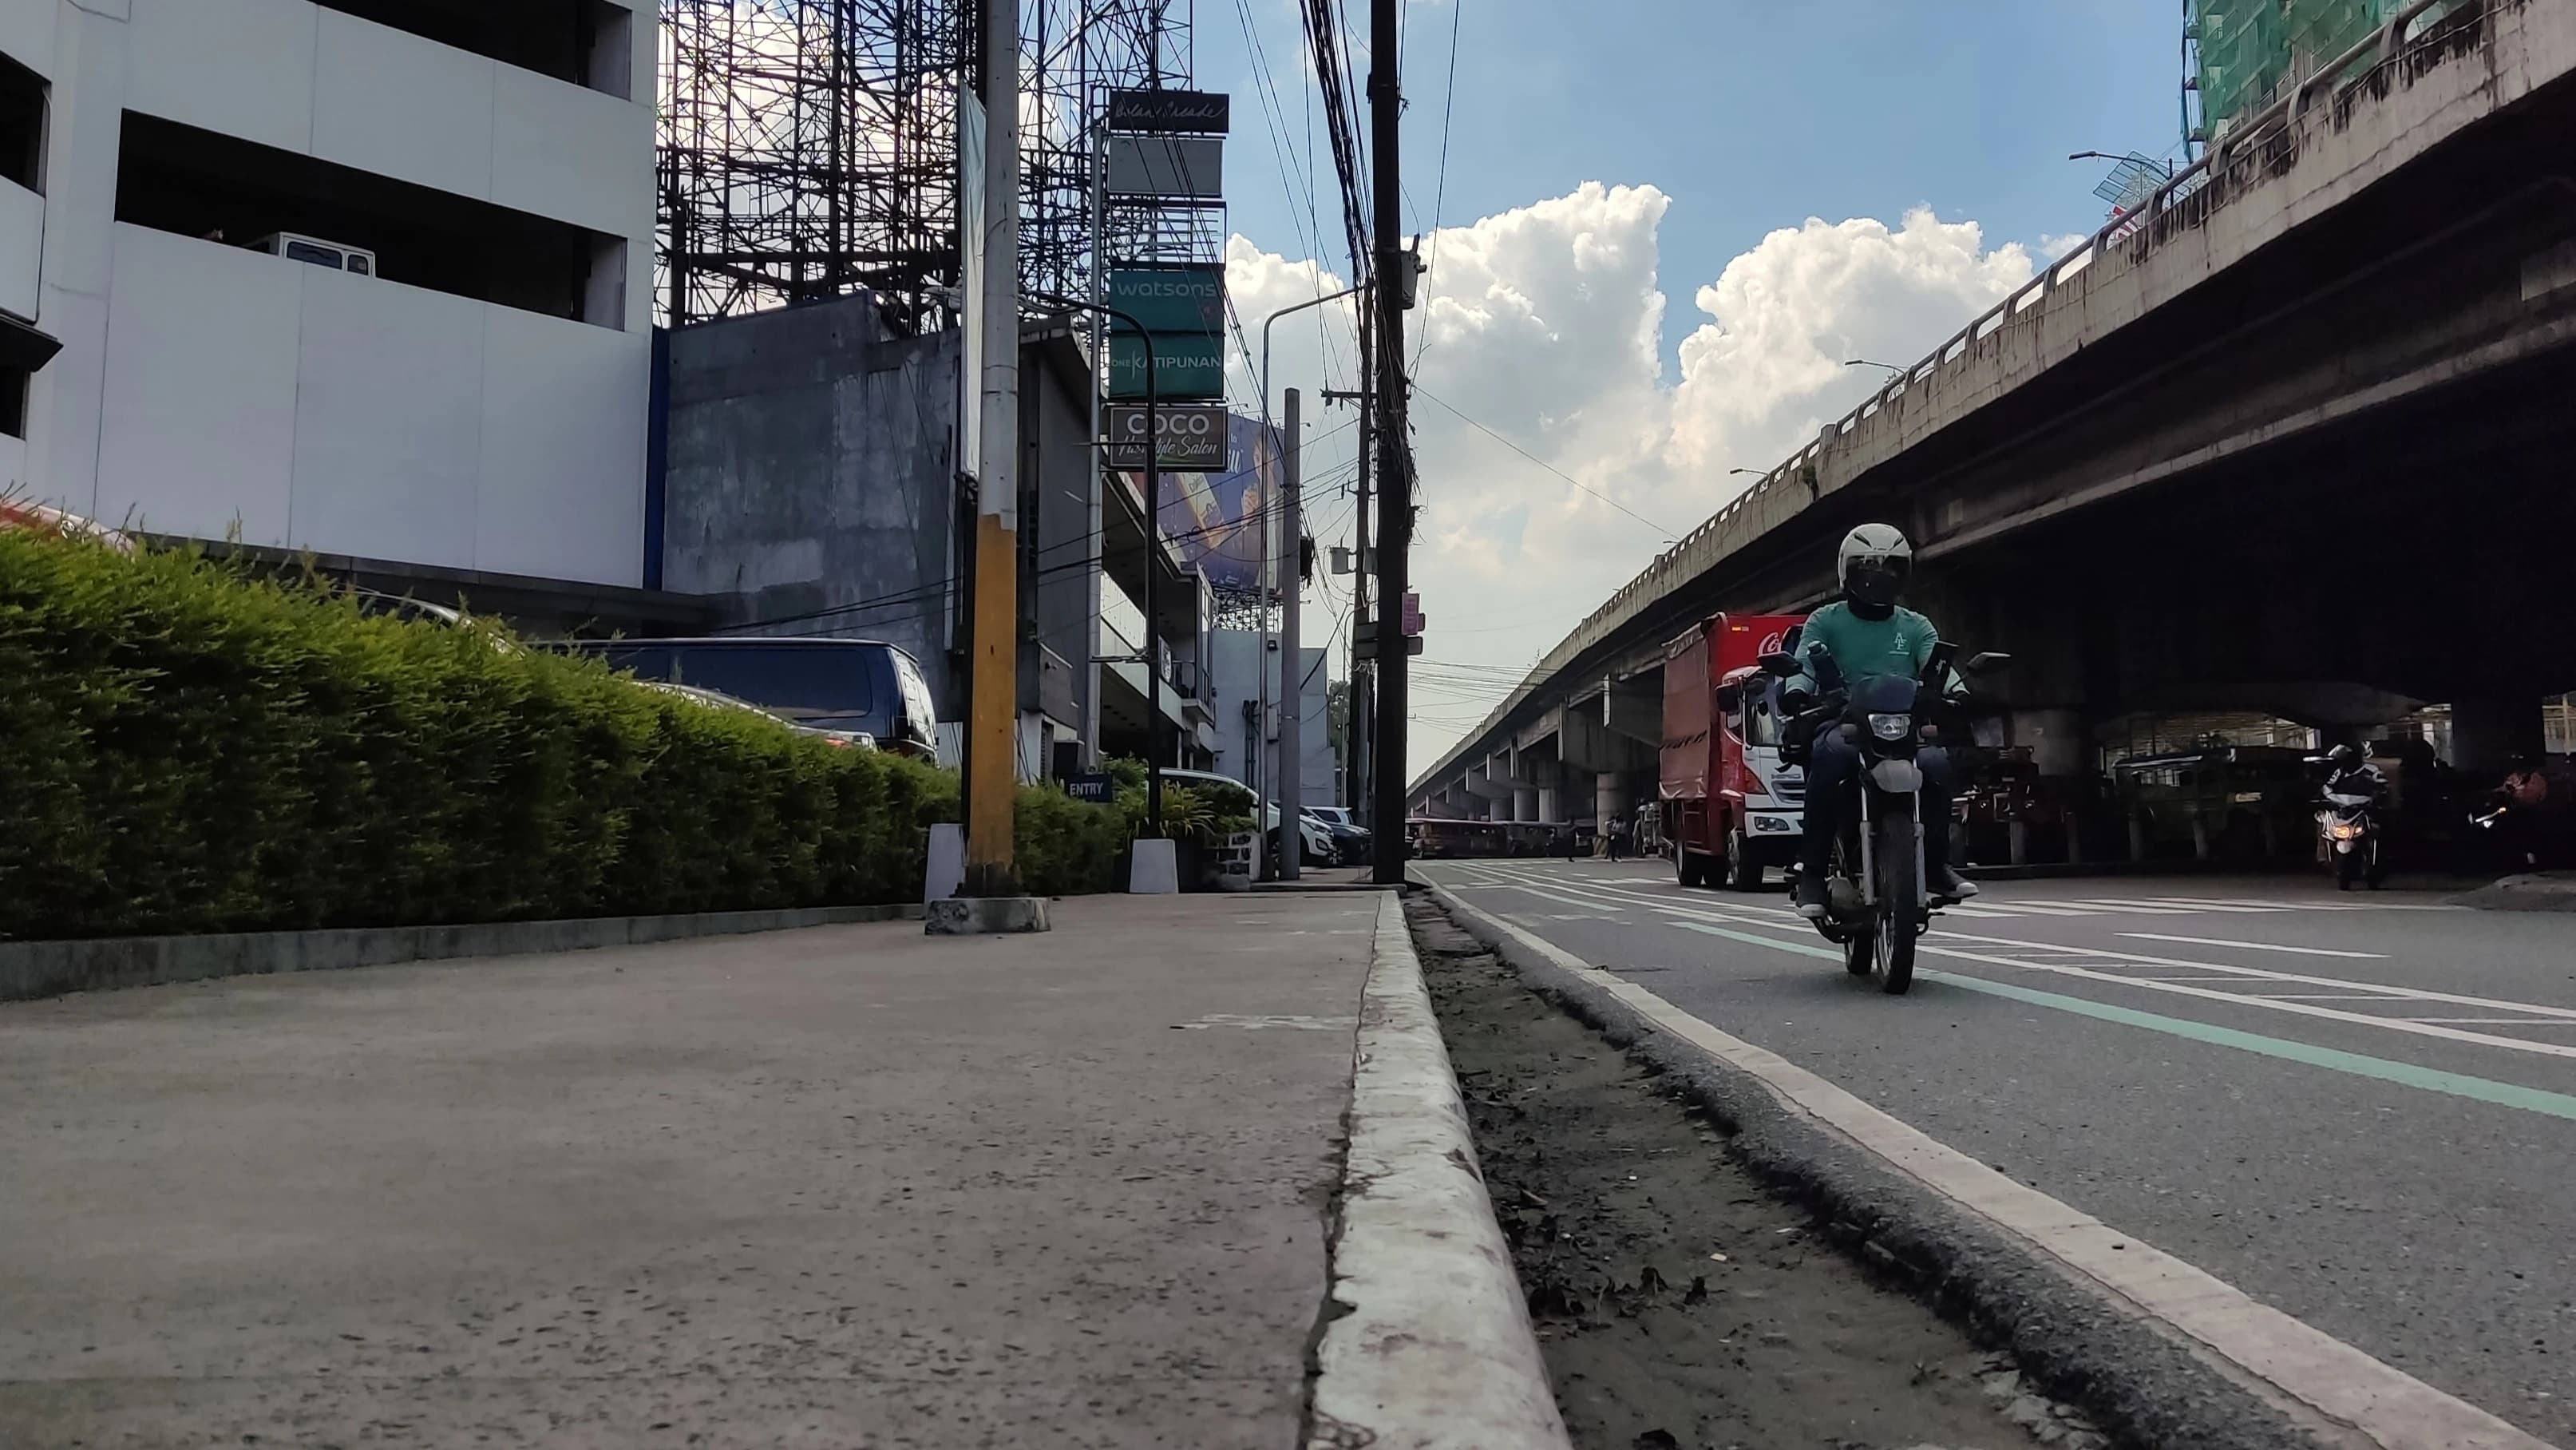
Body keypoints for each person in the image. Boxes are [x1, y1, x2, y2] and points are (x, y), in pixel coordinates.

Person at [1786, 523, 1977, 920]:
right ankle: (1814, 872)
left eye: (1891, 567)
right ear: (1846, 572)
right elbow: (1804, 662)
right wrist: (1797, 690)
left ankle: (1937, 863)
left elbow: (1936, 667)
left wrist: (1956, 693)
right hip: (1844, 721)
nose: (1879, 576)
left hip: (1905, 726)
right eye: (1868, 567)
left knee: (1937, 765)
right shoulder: (1825, 621)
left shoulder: (1916, 625)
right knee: (1829, 758)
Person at [2496, 752, 2550, 868]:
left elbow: (2540, 794)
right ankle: (2519, 858)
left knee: (2532, 835)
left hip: (2532, 810)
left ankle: (2533, 860)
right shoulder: (2514, 777)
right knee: (2516, 834)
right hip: (2516, 810)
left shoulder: (2537, 779)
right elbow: (2505, 788)